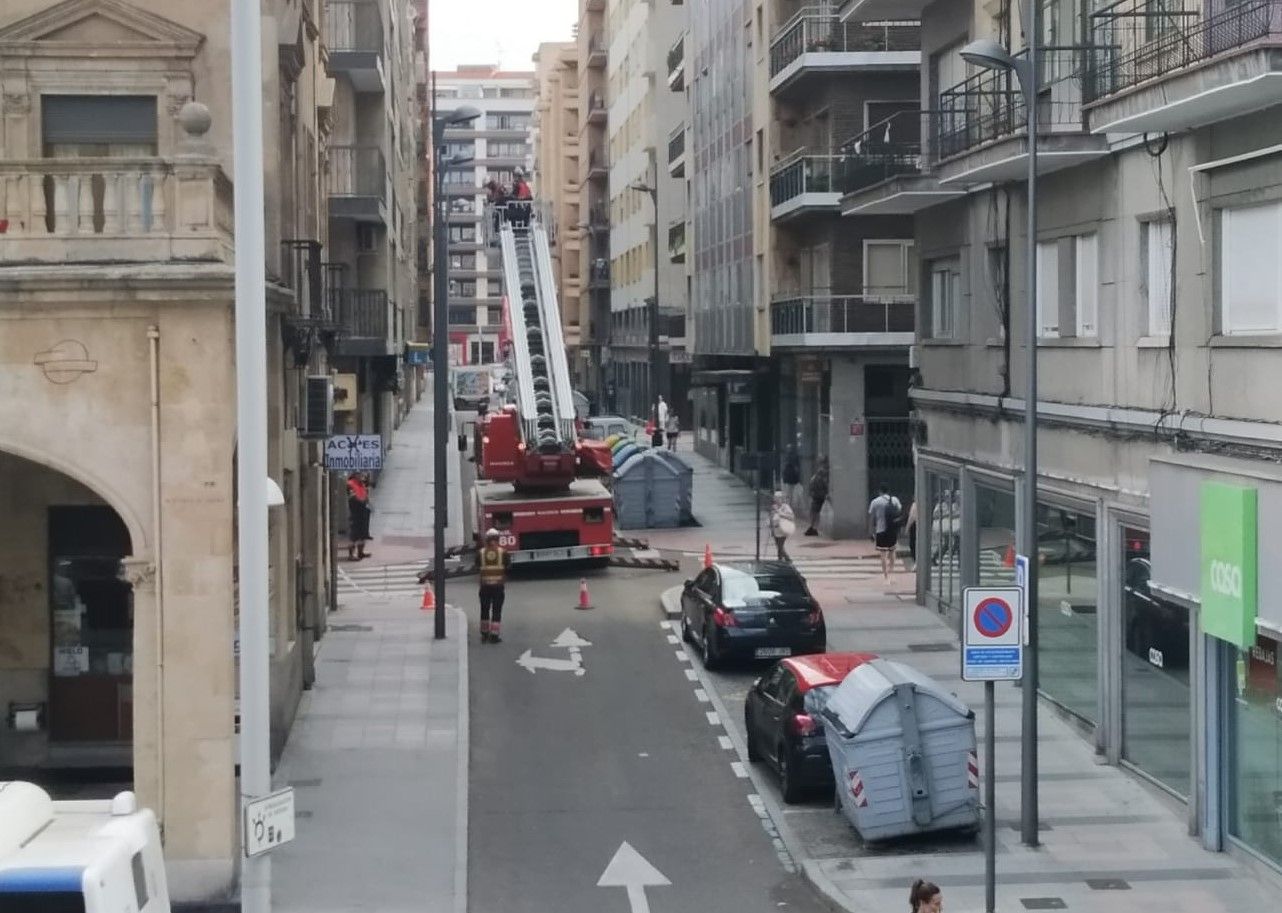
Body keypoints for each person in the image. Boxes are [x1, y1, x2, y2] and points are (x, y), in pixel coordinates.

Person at [477, 528, 512, 643]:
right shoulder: (503, 552)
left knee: (484, 609)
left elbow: (477, 565)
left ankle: (484, 633)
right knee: (497, 610)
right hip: (498, 586)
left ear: (486, 539)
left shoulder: (481, 553)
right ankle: (494, 635)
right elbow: (508, 567)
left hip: (485, 586)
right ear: (497, 539)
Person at [869, 485, 904, 582]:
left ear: (879, 491)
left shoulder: (875, 502)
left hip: (880, 530)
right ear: (888, 491)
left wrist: (871, 532)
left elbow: (872, 518)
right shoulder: (894, 500)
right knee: (892, 551)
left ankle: (885, 575)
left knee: (883, 553)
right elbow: (899, 513)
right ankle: (891, 571)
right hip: (892, 530)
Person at [345, 472, 372, 560]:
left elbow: (365, 494)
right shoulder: (350, 484)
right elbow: (352, 498)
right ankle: (351, 555)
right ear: (356, 475)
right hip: (355, 512)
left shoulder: (362, 484)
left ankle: (361, 552)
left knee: (363, 534)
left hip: (363, 511)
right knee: (354, 534)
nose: (362, 477)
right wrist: (362, 502)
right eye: (361, 475)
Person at [803, 457, 829, 537]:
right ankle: (813, 528)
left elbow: (822, 485)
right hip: (818, 495)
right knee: (814, 512)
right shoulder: (821, 474)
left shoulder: (820, 474)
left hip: (818, 496)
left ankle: (813, 528)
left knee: (814, 512)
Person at [768, 491, 796, 562]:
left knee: (780, 546)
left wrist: (780, 513)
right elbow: (770, 517)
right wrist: (770, 524)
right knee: (779, 546)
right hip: (775, 529)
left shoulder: (785, 507)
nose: (777, 500)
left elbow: (792, 517)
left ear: (781, 499)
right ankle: (780, 560)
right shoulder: (773, 507)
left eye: (778, 498)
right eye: (776, 498)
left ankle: (787, 559)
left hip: (783, 529)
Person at [781, 445, 802, 510]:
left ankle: (789, 504)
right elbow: (797, 467)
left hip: (789, 478)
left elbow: (785, 468)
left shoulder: (787, 457)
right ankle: (790, 504)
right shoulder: (794, 456)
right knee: (791, 492)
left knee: (789, 492)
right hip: (792, 478)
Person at [904, 498, 918, 570]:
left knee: (913, 545)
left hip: (914, 526)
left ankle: (916, 562)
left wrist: (907, 528)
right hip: (921, 525)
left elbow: (911, 517)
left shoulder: (915, 505)